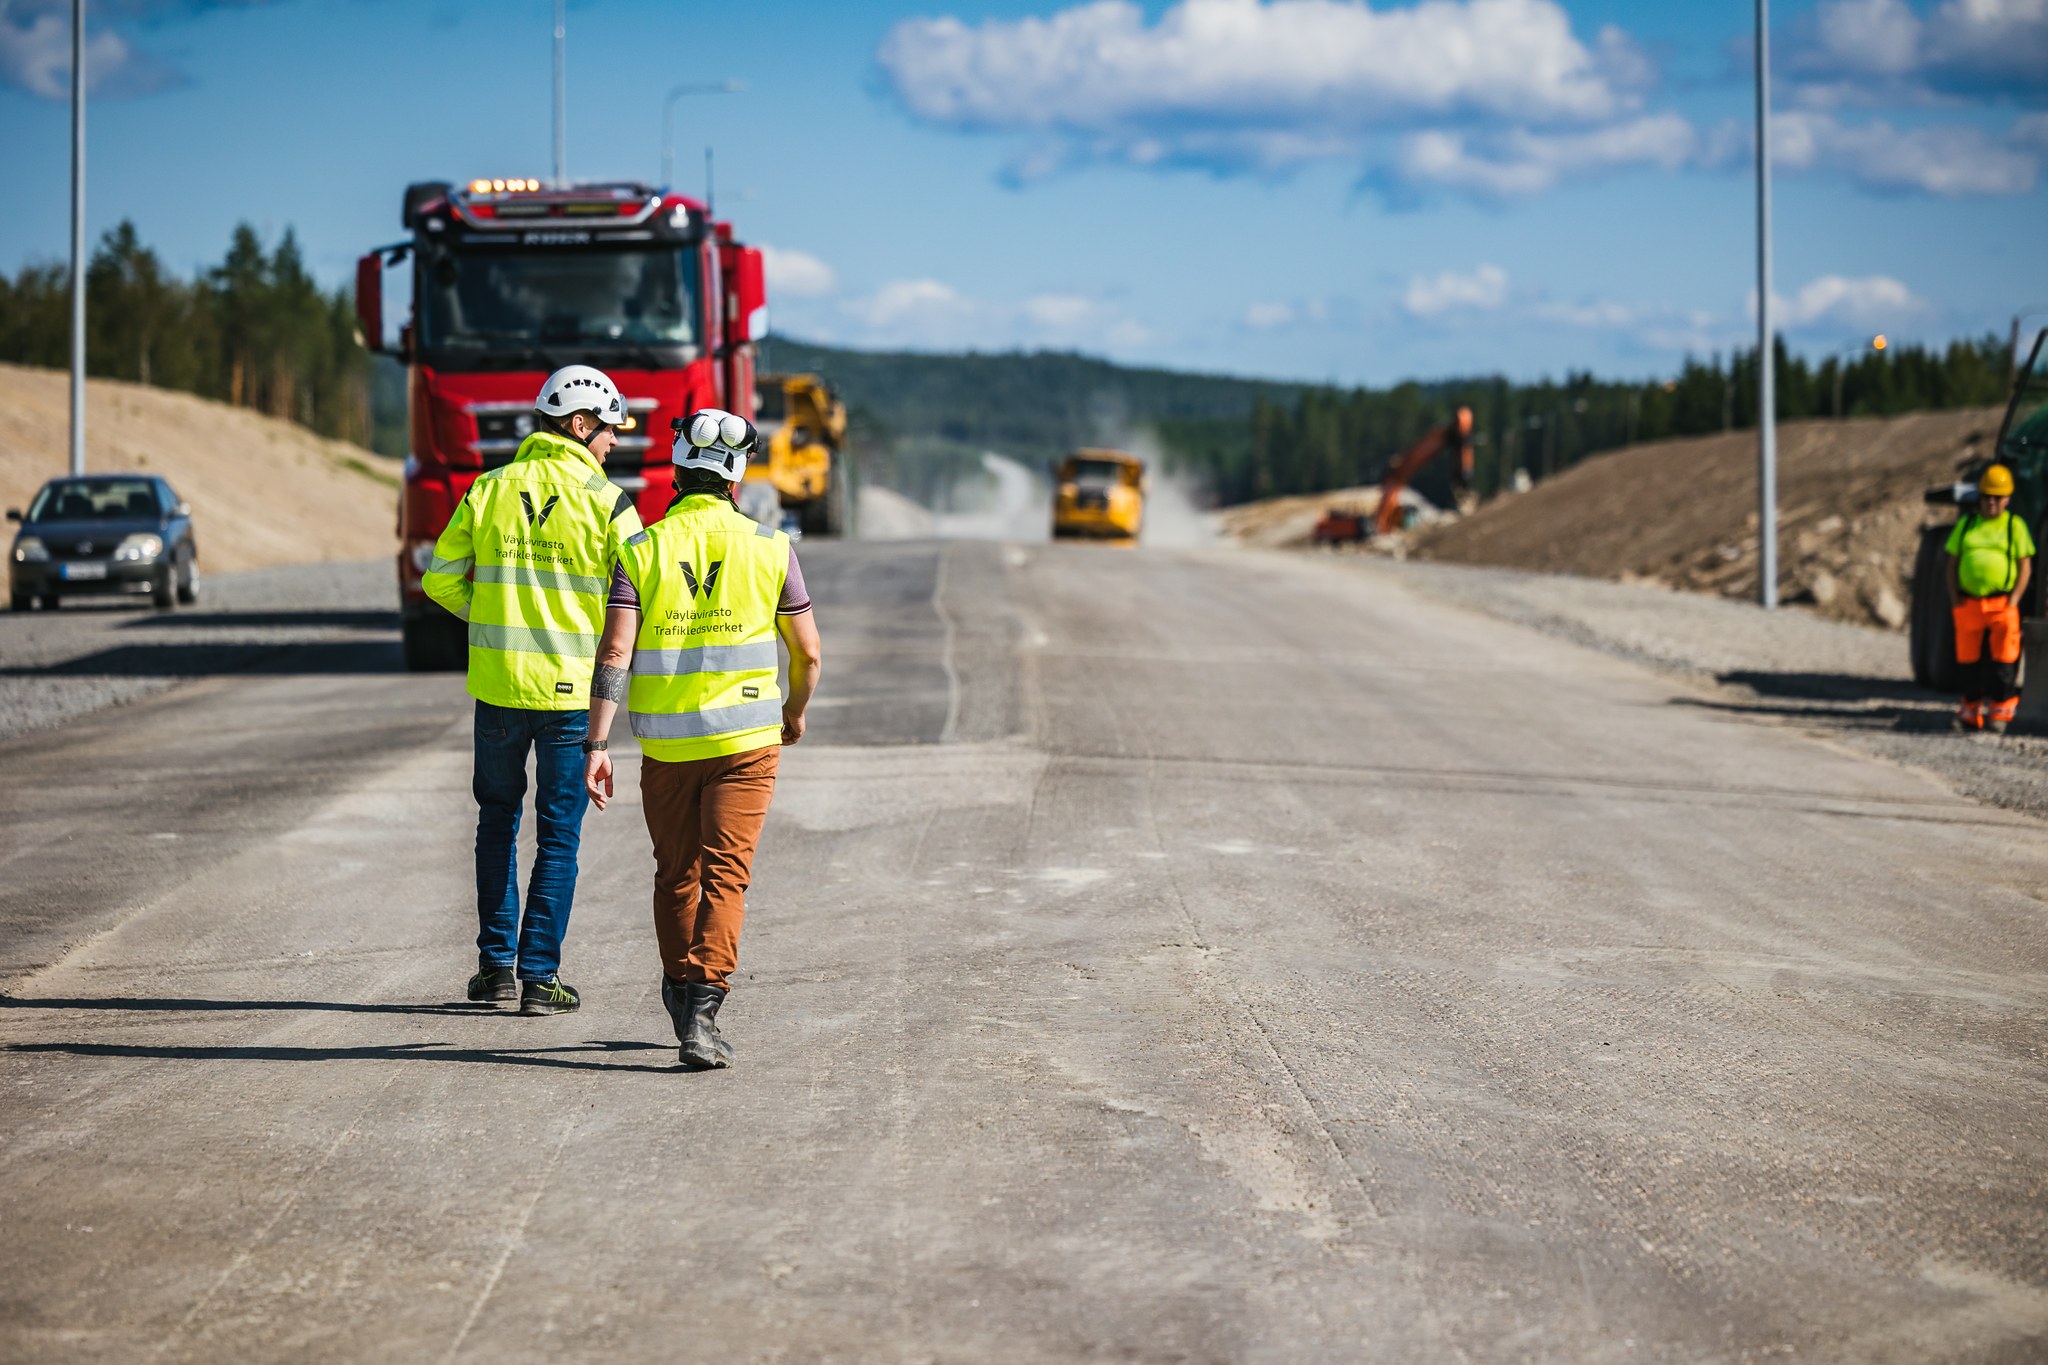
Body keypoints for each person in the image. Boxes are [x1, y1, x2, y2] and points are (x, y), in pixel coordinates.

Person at [583, 408, 822, 1069]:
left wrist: (595, 744)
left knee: (675, 875)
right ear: (737, 476)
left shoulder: (641, 550)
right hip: (747, 739)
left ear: (678, 469)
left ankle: (682, 988)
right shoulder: (773, 548)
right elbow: (808, 652)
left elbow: (616, 651)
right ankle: (703, 1014)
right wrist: (794, 710)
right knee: (726, 876)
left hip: (666, 748)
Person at [423, 364, 645, 1014]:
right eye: (607, 431)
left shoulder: (487, 489)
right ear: (579, 425)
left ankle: (494, 970)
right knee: (559, 835)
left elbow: (439, 578)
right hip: (570, 699)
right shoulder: (610, 504)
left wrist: (493, 616)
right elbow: (638, 597)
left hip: (497, 691)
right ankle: (539, 977)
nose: (613, 443)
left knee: (496, 822)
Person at [1945, 462, 2035, 734]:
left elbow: (2025, 565)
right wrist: (1953, 598)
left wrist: (2014, 600)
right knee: (1968, 663)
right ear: (1980, 496)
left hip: (2002, 605)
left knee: (2004, 664)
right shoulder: (1967, 524)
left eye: (1997, 497)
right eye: (1987, 496)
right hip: (1969, 603)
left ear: (2007, 499)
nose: (1991, 502)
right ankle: (1970, 713)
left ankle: (2000, 713)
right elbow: (1951, 563)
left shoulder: (2014, 526)